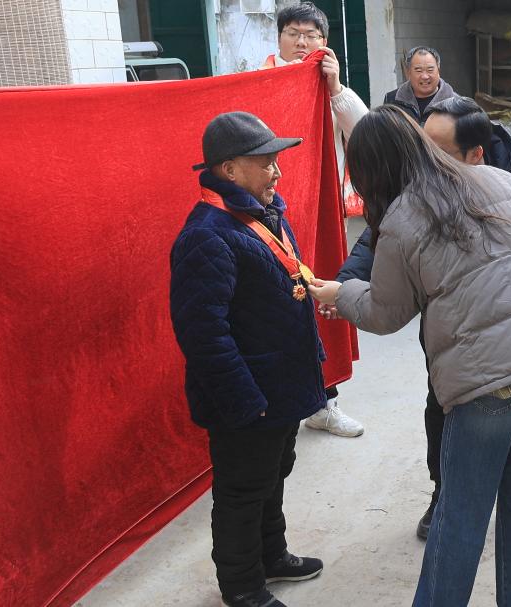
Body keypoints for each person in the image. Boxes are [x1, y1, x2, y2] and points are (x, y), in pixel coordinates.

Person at [308, 104, 511, 606]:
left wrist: (339, 293)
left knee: (460, 512)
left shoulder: (403, 215)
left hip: (486, 385)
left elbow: (385, 312)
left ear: (372, 171)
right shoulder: (508, 180)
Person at [332, 96, 511, 540]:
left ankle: (476, 507)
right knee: (446, 423)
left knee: (503, 490)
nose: (426, 160)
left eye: (439, 152)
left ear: (476, 154)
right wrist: (345, 285)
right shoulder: (416, 197)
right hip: (459, 347)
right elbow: (377, 244)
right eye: (423, 146)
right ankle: (444, 492)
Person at [169, 112, 326, 607]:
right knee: (242, 490)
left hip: (279, 386)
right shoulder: (207, 234)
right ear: (229, 169)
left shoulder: (264, 213)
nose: (277, 171)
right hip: (248, 396)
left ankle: (272, 555)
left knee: (273, 475)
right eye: (266, 162)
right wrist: (244, 401)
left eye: (276, 160)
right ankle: (241, 586)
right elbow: (203, 333)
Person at [262, 0, 368, 438]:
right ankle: (277, 402)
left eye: (311, 35)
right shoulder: (258, 80)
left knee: (321, 300)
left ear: (324, 42)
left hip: (321, 216)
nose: (302, 42)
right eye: (294, 34)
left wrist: (335, 86)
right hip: (265, 218)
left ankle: (325, 402)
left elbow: (364, 130)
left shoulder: (330, 87)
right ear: (280, 38)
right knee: (273, 305)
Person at [384, 46, 457, 125]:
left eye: (430, 70)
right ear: (408, 72)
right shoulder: (392, 100)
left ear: (438, 70)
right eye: (418, 70)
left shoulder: (455, 103)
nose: (425, 76)